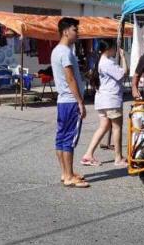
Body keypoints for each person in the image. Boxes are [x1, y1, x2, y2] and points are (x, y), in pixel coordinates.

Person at [51, 17, 89, 188]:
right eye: (75, 30)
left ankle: (66, 172)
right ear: (66, 31)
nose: (77, 33)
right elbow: (70, 77)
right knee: (69, 139)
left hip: (62, 101)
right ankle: (68, 176)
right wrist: (80, 102)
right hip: (70, 100)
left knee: (61, 138)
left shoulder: (57, 50)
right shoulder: (65, 52)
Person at [81, 40, 128, 167]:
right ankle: (118, 158)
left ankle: (88, 155)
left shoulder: (100, 62)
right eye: (114, 48)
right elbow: (123, 73)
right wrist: (123, 57)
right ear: (109, 49)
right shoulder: (107, 62)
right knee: (117, 128)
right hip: (111, 100)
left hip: (102, 100)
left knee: (104, 127)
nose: (115, 50)